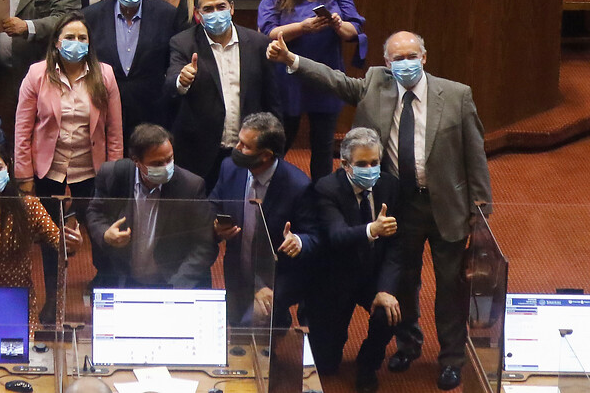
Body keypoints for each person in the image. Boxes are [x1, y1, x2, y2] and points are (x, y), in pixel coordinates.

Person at [267, 30, 492, 390]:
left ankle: (451, 358)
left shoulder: (456, 94)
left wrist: (481, 211)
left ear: (424, 56)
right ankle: (408, 345)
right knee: (404, 279)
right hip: (398, 204)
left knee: (451, 285)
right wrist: (293, 60)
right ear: (387, 63)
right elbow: (335, 80)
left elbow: (475, 154)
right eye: (397, 58)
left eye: (412, 56)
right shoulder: (376, 83)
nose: (406, 63)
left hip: (447, 204)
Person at [15, 11, 122, 321]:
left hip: (92, 171)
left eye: (82, 38)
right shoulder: (37, 74)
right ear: (57, 43)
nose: (76, 43)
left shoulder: (105, 75)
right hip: (49, 170)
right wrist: (24, 177)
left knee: (102, 237)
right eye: (70, 38)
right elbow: (23, 130)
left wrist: (113, 175)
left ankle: (105, 295)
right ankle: (52, 300)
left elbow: (114, 131)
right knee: (51, 240)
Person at [256, 0, 365, 181]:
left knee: (323, 148)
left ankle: (321, 197)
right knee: (281, 143)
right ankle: (274, 189)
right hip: (287, 78)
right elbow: (267, 31)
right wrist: (302, 27)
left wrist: (339, 24)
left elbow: (354, 29)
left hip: (325, 76)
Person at [307, 127, 402, 391]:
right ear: (345, 164)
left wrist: (385, 289)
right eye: (362, 164)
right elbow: (337, 236)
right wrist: (373, 229)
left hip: (372, 276)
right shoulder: (326, 188)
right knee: (325, 363)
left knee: (390, 312)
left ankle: (368, 364)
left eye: (375, 163)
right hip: (335, 279)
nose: (370, 169)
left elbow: (396, 247)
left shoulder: (389, 186)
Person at [0, 143, 81, 328]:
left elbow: (57, 240)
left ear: (8, 168)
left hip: (19, 299)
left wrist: (71, 244)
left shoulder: (29, 206)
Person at [167, 0, 281, 187]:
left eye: (221, 7)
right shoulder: (182, 43)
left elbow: (272, 99)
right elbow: (171, 82)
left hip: (246, 149)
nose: (215, 13)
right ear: (198, 14)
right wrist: (181, 81)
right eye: (208, 9)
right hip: (200, 151)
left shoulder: (257, 43)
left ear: (232, 8)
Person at [209, 113, 318, 328]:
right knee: (236, 324)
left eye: (245, 146)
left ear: (266, 155)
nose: (236, 148)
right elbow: (213, 203)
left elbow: (315, 235)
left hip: (277, 278)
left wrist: (299, 240)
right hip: (238, 268)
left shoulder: (298, 186)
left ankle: (277, 318)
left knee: (255, 320)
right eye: (239, 140)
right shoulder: (230, 168)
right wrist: (215, 223)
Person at [85, 124, 216, 288]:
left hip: (171, 281)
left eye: (169, 159)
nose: (166, 167)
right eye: (157, 163)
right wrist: (105, 234)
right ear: (136, 162)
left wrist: (177, 286)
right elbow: (95, 212)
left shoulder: (190, 186)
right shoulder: (113, 174)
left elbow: (204, 244)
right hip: (125, 279)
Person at [83, 0, 179, 136]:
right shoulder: (91, 16)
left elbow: (171, 62)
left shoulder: (166, 15)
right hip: (104, 110)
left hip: (153, 113)